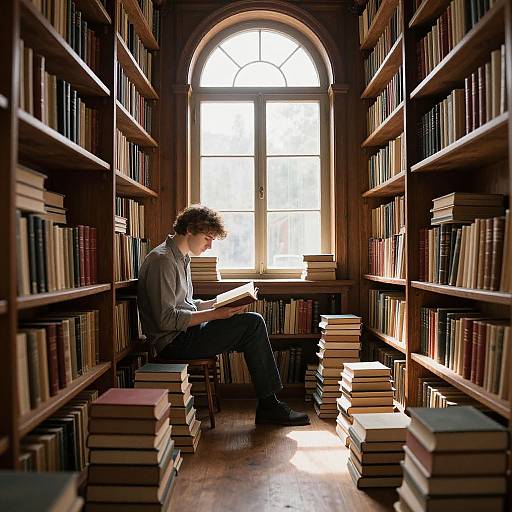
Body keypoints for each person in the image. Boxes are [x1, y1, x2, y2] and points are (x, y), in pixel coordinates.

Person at [137, 204, 310, 426]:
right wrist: (216, 314)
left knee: (251, 324)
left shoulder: (181, 257)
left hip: (186, 333)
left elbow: (186, 305)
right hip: (174, 342)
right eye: (208, 238)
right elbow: (166, 319)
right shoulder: (163, 260)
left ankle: (269, 404)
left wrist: (217, 303)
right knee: (253, 324)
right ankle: (269, 405)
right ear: (190, 229)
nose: (209, 246)